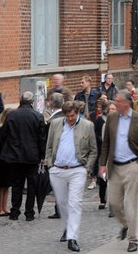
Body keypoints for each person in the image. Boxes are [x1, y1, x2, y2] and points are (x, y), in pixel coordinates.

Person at [98, 90, 138, 252]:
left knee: (131, 204)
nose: (115, 103)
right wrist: (103, 164)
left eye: (118, 101)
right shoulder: (112, 118)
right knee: (114, 203)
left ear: (127, 104)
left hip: (132, 166)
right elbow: (106, 143)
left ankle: (133, 239)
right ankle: (126, 225)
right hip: (114, 166)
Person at [45, 101, 97, 252]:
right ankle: (68, 227)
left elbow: (93, 149)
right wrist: (50, 165)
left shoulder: (87, 125)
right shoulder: (55, 124)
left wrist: (86, 168)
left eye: (73, 116)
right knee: (61, 202)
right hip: (57, 169)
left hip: (77, 169)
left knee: (75, 203)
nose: (70, 119)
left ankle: (72, 237)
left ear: (78, 113)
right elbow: (49, 146)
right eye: (67, 116)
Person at [0, 91, 46, 221]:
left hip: (15, 156)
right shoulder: (38, 116)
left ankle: (14, 212)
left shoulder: (11, 115)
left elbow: (4, 135)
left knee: (16, 185)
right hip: (32, 156)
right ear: (32, 103)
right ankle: (29, 213)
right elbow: (41, 138)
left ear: (21, 101)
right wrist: (42, 155)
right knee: (31, 186)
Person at [0, 108, 13, 217]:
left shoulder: (12, 128)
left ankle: (5, 207)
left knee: (7, 185)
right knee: (1, 185)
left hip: (9, 158)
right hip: (0, 158)